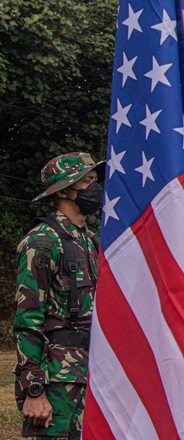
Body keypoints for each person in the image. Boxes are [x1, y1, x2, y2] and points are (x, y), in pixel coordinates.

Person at [15, 152, 103, 439]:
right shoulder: (42, 242)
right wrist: (34, 390)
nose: (95, 187)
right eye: (87, 181)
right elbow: (28, 320)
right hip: (57, 380)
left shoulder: (91, 242)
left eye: (94, 179)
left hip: (93, 372)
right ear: (64, 189)